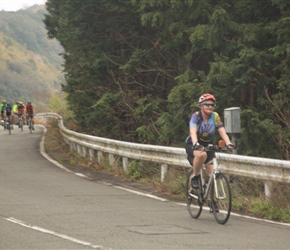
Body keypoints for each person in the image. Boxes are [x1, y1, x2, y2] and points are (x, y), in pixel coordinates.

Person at [185, 93, 234, 190]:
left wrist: (228, 143)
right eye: (207, 104)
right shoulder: (196, 116)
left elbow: (222, 131)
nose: (210, 106)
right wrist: (196, 144)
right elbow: (193, 132)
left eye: (212, 105)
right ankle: (195, 177)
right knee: (202, 155)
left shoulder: (215, 116)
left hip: (208, 144)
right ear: (201, 106)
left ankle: (211, 201)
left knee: (212, 176)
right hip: (193, 143)